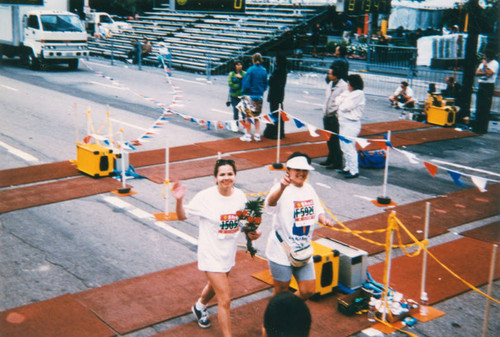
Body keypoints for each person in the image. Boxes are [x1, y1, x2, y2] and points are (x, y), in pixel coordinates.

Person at [173, 159, 261, 337]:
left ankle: (199, 307)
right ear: (215, 177)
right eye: (222, 174)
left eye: (230, 174)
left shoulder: (239, 196)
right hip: (210, 254)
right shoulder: (206, 197)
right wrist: (179, 200)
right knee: (225, 299)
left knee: (215, 286)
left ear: (235, 176)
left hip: (227, 253)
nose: (226, 178)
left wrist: (253, 232)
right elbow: (182, 216)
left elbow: (244, 221)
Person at [265, 152, 335, 300]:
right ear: (288, 171)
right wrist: (282, 188)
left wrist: (324, 219)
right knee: (281, 291)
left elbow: (318, 210)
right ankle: (271, 322)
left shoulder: (308, 189)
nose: (301, 173)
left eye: (304, 170)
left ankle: (288, 310)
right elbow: (270, 205)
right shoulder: (280, 189)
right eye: (297, 169)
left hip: (303, 249)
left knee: (308, 290)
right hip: (281, 249)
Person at [336, 74, 365, 179]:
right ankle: (347, 167)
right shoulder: (349, 93)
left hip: (351, 123)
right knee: (343, 146)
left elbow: (345, 107)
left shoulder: (358, 93)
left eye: (348, 83)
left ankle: (354, 170)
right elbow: (337, 100)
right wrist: (342, 101)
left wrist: (342, 101)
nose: (347, 85)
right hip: (343, 122)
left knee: (349, 147)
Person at [320, 64, 348, 170]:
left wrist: (336, 114)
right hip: (327, 115)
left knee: (335, 140)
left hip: (334, 117)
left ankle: (337, 161)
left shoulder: (343, 87)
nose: (328, 75)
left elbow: (342, 103)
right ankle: (330, 158)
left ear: (336, 75)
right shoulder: (330, 83)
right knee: (328, 139)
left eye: (330, 74)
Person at [240, 53, 268, 142]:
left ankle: (248, 135)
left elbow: (246, 83)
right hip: (259, 95)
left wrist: (243, 92)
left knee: (248, 116)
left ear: (253, 60)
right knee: (257, 116)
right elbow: (265, 84)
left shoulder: (250, 70)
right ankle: (257, 135)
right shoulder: (264, 70)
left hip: (250, 95)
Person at [474, 50, 498, 134]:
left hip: (488, 85)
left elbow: (489, 74)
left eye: (485, 56)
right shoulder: (481, 64)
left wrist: (485, 65)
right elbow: (476, 73)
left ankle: (483, 128)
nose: (483, 57)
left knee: (485, 107)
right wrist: (484, 72)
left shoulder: (494, 63)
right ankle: (477, 127)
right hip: (481, 84)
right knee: (479, 106)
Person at [264, 55, 287, 140]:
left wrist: (270, 79)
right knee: (278, 114)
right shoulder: (283, 71)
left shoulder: (279, 71)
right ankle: (280, 132)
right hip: (278, 96)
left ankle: (278, 132)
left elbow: (272, 82)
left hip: (275, 96)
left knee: (276, 115)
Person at [228, 60, 246, 132]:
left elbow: (246, 83)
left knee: (243, 112)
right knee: (235, 112)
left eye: (240, 64)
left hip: (242, 96)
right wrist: (239, 85)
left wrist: (241, 79)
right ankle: (235, 125)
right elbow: (231, 84)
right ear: (235, 66)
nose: (239, 66)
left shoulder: (244, 73)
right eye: (237, 65)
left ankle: (245, 126)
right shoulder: (231, 74)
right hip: (234, 95)